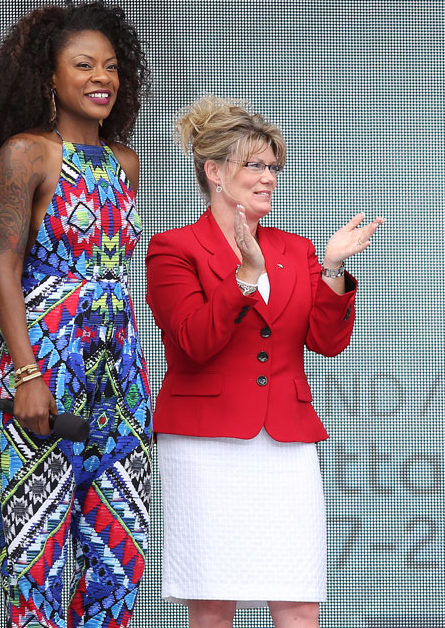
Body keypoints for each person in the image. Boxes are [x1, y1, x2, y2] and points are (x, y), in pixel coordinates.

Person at [147, 95, 384, 628]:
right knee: (212, 603)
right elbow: (192, 342)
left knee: (298, 600)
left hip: (284, 440)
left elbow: (326, 342)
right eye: (254, 165)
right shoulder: (174, 249)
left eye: (273, 166)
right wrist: (245, 280)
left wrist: (333, 267)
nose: (268, 178)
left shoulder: (297, 249)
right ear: (213, 171)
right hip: (205, 442)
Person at [0, 1, 152, 628]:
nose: (102, 77)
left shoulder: (124, 162)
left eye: (110, 66)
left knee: (120, 555)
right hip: (43, 365)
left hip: (120, 375)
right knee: (37, 553)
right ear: (49, 77)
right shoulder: (27, 154)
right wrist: (25, 374)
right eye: (83, 65)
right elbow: (3, 266)